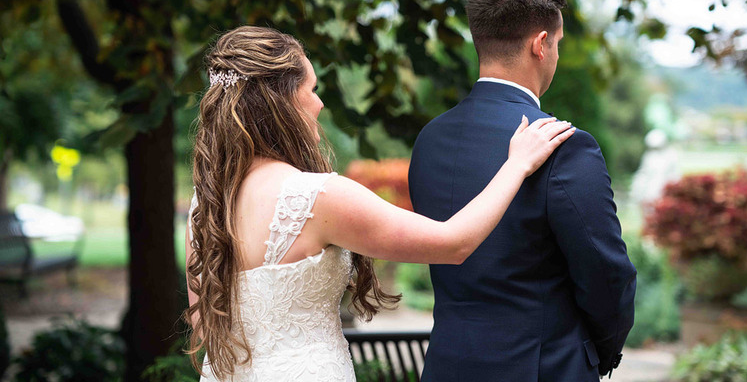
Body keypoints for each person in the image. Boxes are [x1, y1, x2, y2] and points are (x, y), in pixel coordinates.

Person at [183, 26, 575, 381]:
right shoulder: (316, 197)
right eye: (313, 88)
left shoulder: (207, 204)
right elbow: (454, 243)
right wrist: (517, 164)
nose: (319, 104)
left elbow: (205, 328)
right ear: (283, 99)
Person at [408, 0, 637, 382]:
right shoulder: (564, 144)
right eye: (559, 44)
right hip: (544, 367)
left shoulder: (430, 139)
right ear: (541, 44)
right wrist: (596, 354)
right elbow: (607, 275)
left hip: (446, 365)